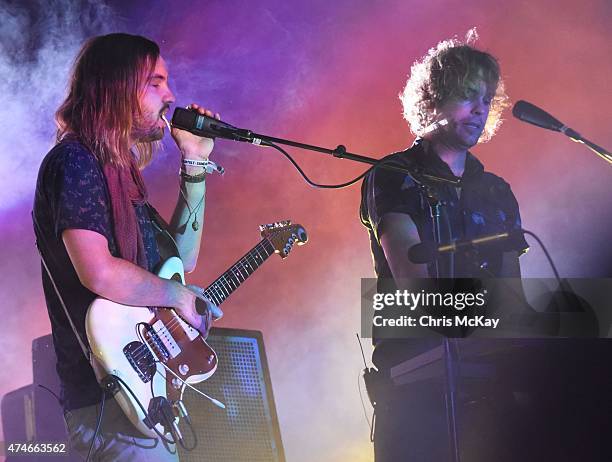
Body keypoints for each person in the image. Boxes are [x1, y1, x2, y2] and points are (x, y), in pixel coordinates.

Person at [32, 33, 222, 461]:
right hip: (106, 398)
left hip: (141, 391)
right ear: (117, 87)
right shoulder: (75, 162)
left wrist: (195, 164)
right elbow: (98, 271)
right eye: (155, 82)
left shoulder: (122, 175)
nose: (170, 95)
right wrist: (178, 296)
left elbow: (182, 258)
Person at [360, 31, 532, 461]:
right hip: (415, 388)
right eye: (467, 96)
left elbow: (515, 299)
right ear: (434, 99)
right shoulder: (393, 174)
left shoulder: (497, 190)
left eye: (487, 98)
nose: (479, 109)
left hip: (491, 391)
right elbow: (414, 285)